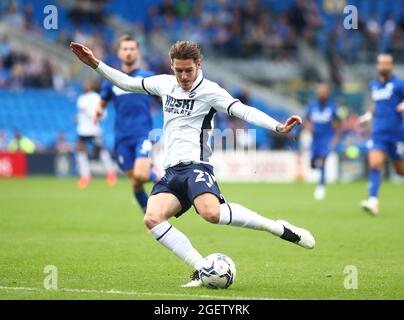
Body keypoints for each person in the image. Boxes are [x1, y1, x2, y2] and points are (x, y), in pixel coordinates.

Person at [70, 40, 315, 287]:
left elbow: (244, 111)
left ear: (199, 64)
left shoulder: (211, 91)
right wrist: (95, 64)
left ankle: (276, 227)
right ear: (172, 66)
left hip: (197, 165)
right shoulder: (165, 84)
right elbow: (127, 83)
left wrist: (277, 126)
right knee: (152, 219)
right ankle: (202, 269)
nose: (184, 76)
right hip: (171, 170)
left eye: (188, 70)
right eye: (178, 70)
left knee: (211, 213)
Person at [95, 35, 161, 212]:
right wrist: (98, 111)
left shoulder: (148, 78)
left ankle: (159, 175)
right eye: (125, 49)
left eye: (132, 49)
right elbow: (103, 100)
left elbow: (164, 98)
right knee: (136, 181)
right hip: (121, 138)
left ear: (137, 52)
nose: (129, 52)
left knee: (141, 174)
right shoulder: (112, 79)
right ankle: (152, 217)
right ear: (119, 53)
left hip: (142, 134)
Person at [359, 54, 404, 215]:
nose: (383, 66)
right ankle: (373, 201)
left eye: (386, 63)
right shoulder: (374, 85)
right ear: (377, 66)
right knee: (375, 163)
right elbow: (376, 105)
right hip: (378, 133)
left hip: (396, 134)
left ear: (391, 66)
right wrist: (368, 116)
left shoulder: (399, 84)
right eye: (381, 63)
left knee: (400, 171)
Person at [76, 80, 117, 189]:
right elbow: (102, 115)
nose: (85, 85)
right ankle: (86, 176)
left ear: (91, 86)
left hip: (93, 130)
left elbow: (102, 114)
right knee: (81, 150)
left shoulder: (92, 98)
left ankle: (110, 173)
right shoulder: (84, 98)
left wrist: (93, 115)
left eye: (87, 84)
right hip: (83, 130)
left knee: (100, 151)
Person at [304, 83, 341, 200]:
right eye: (320, 92)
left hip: (327, 139)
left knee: (323, 160)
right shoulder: (312, 106)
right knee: (313, 162)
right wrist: (309, 127)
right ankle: (316, 169)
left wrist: (336, 137)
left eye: (324, 93)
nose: (322, 95)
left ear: (328, 94)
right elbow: (306, 120)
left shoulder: (332, 107)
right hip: (315, 140)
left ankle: (321, 186)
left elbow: (339, 122)